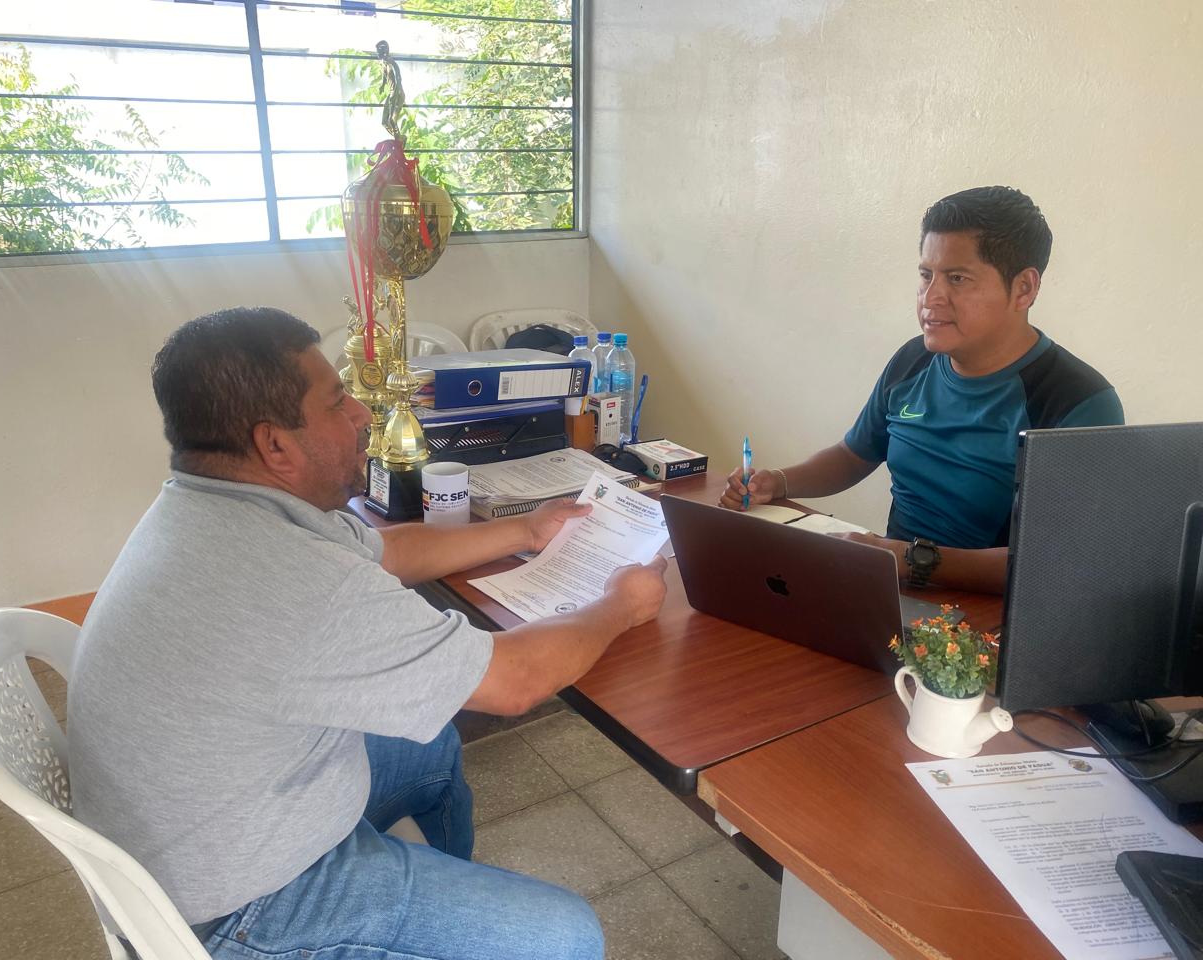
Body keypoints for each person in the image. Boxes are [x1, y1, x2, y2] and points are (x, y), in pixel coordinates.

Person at [68, 306, 668, 960]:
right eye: (336, 402)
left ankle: (434, 926)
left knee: (432, 747)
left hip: (207, 826)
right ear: (275, 445)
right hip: (232, 910)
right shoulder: (292, 578)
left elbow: (388, 550)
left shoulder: (214, 504)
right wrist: (621, 604)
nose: (360, 413)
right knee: (565, 938)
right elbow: (514, 682)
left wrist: (525, 529)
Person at [720, 186, 1123, 594]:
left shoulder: (1077, 402)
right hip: (889, 586)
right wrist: (777, 482)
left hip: (986, 614)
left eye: (957, 279)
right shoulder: (913, 360)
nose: (931, 298)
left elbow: (1057, 561)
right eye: (926, 275)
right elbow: (852, 455)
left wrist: (907, 559)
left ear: (1024, 288)